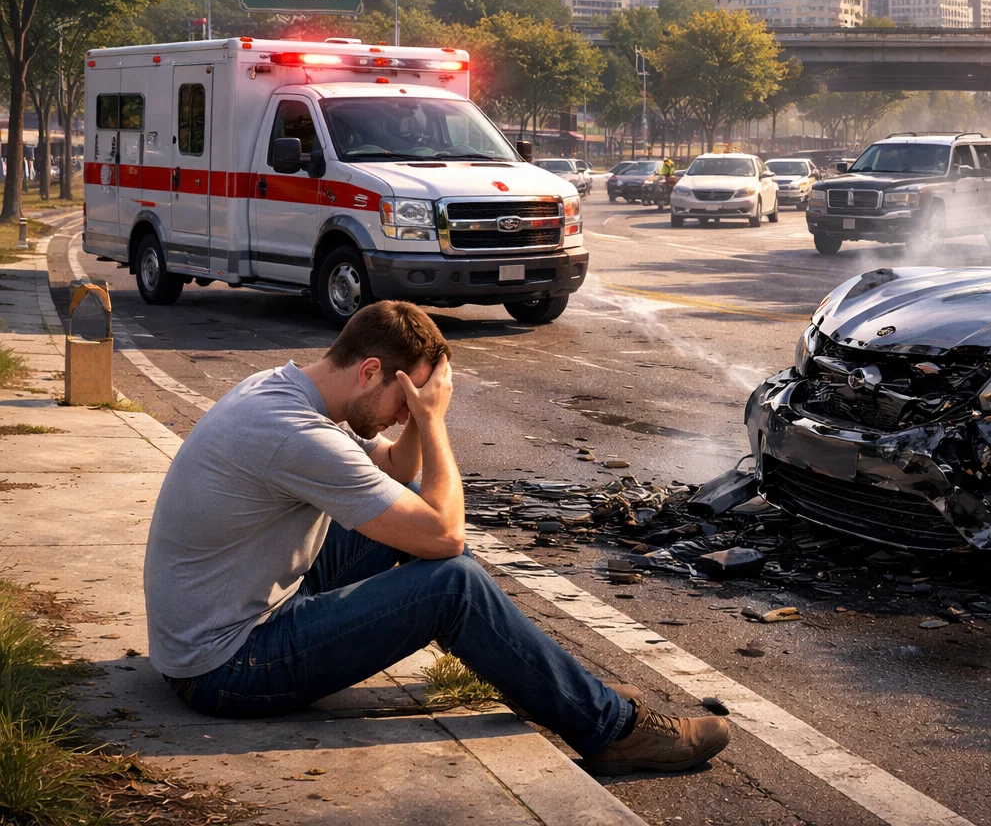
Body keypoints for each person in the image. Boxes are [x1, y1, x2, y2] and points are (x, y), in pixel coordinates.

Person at [143, 301, 729, 774]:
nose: (407, 414)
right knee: (451, 580)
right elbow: (446, 536)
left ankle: (536, 680)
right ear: (370, 370)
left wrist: (416, 420)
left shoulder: (283, 391)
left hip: (225, 619)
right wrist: (436, 422)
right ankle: (609, 733)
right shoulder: (294, 433)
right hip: (224, 667)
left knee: (419, 525)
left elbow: (396, 473)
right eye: (406, 398)